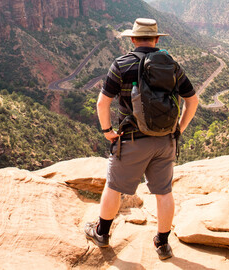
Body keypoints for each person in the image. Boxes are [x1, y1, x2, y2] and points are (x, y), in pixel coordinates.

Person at [84, 18, 199, 260]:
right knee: (164, 192)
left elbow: (102, 102)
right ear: (157, 40)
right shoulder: (172, 66)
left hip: (132, 140)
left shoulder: (122, 64)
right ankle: (163, 244)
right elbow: (193, 100)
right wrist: (179, 129)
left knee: (114, 187)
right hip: (165, 139)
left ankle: (102, 233)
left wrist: (107, 132)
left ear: (133, 39)